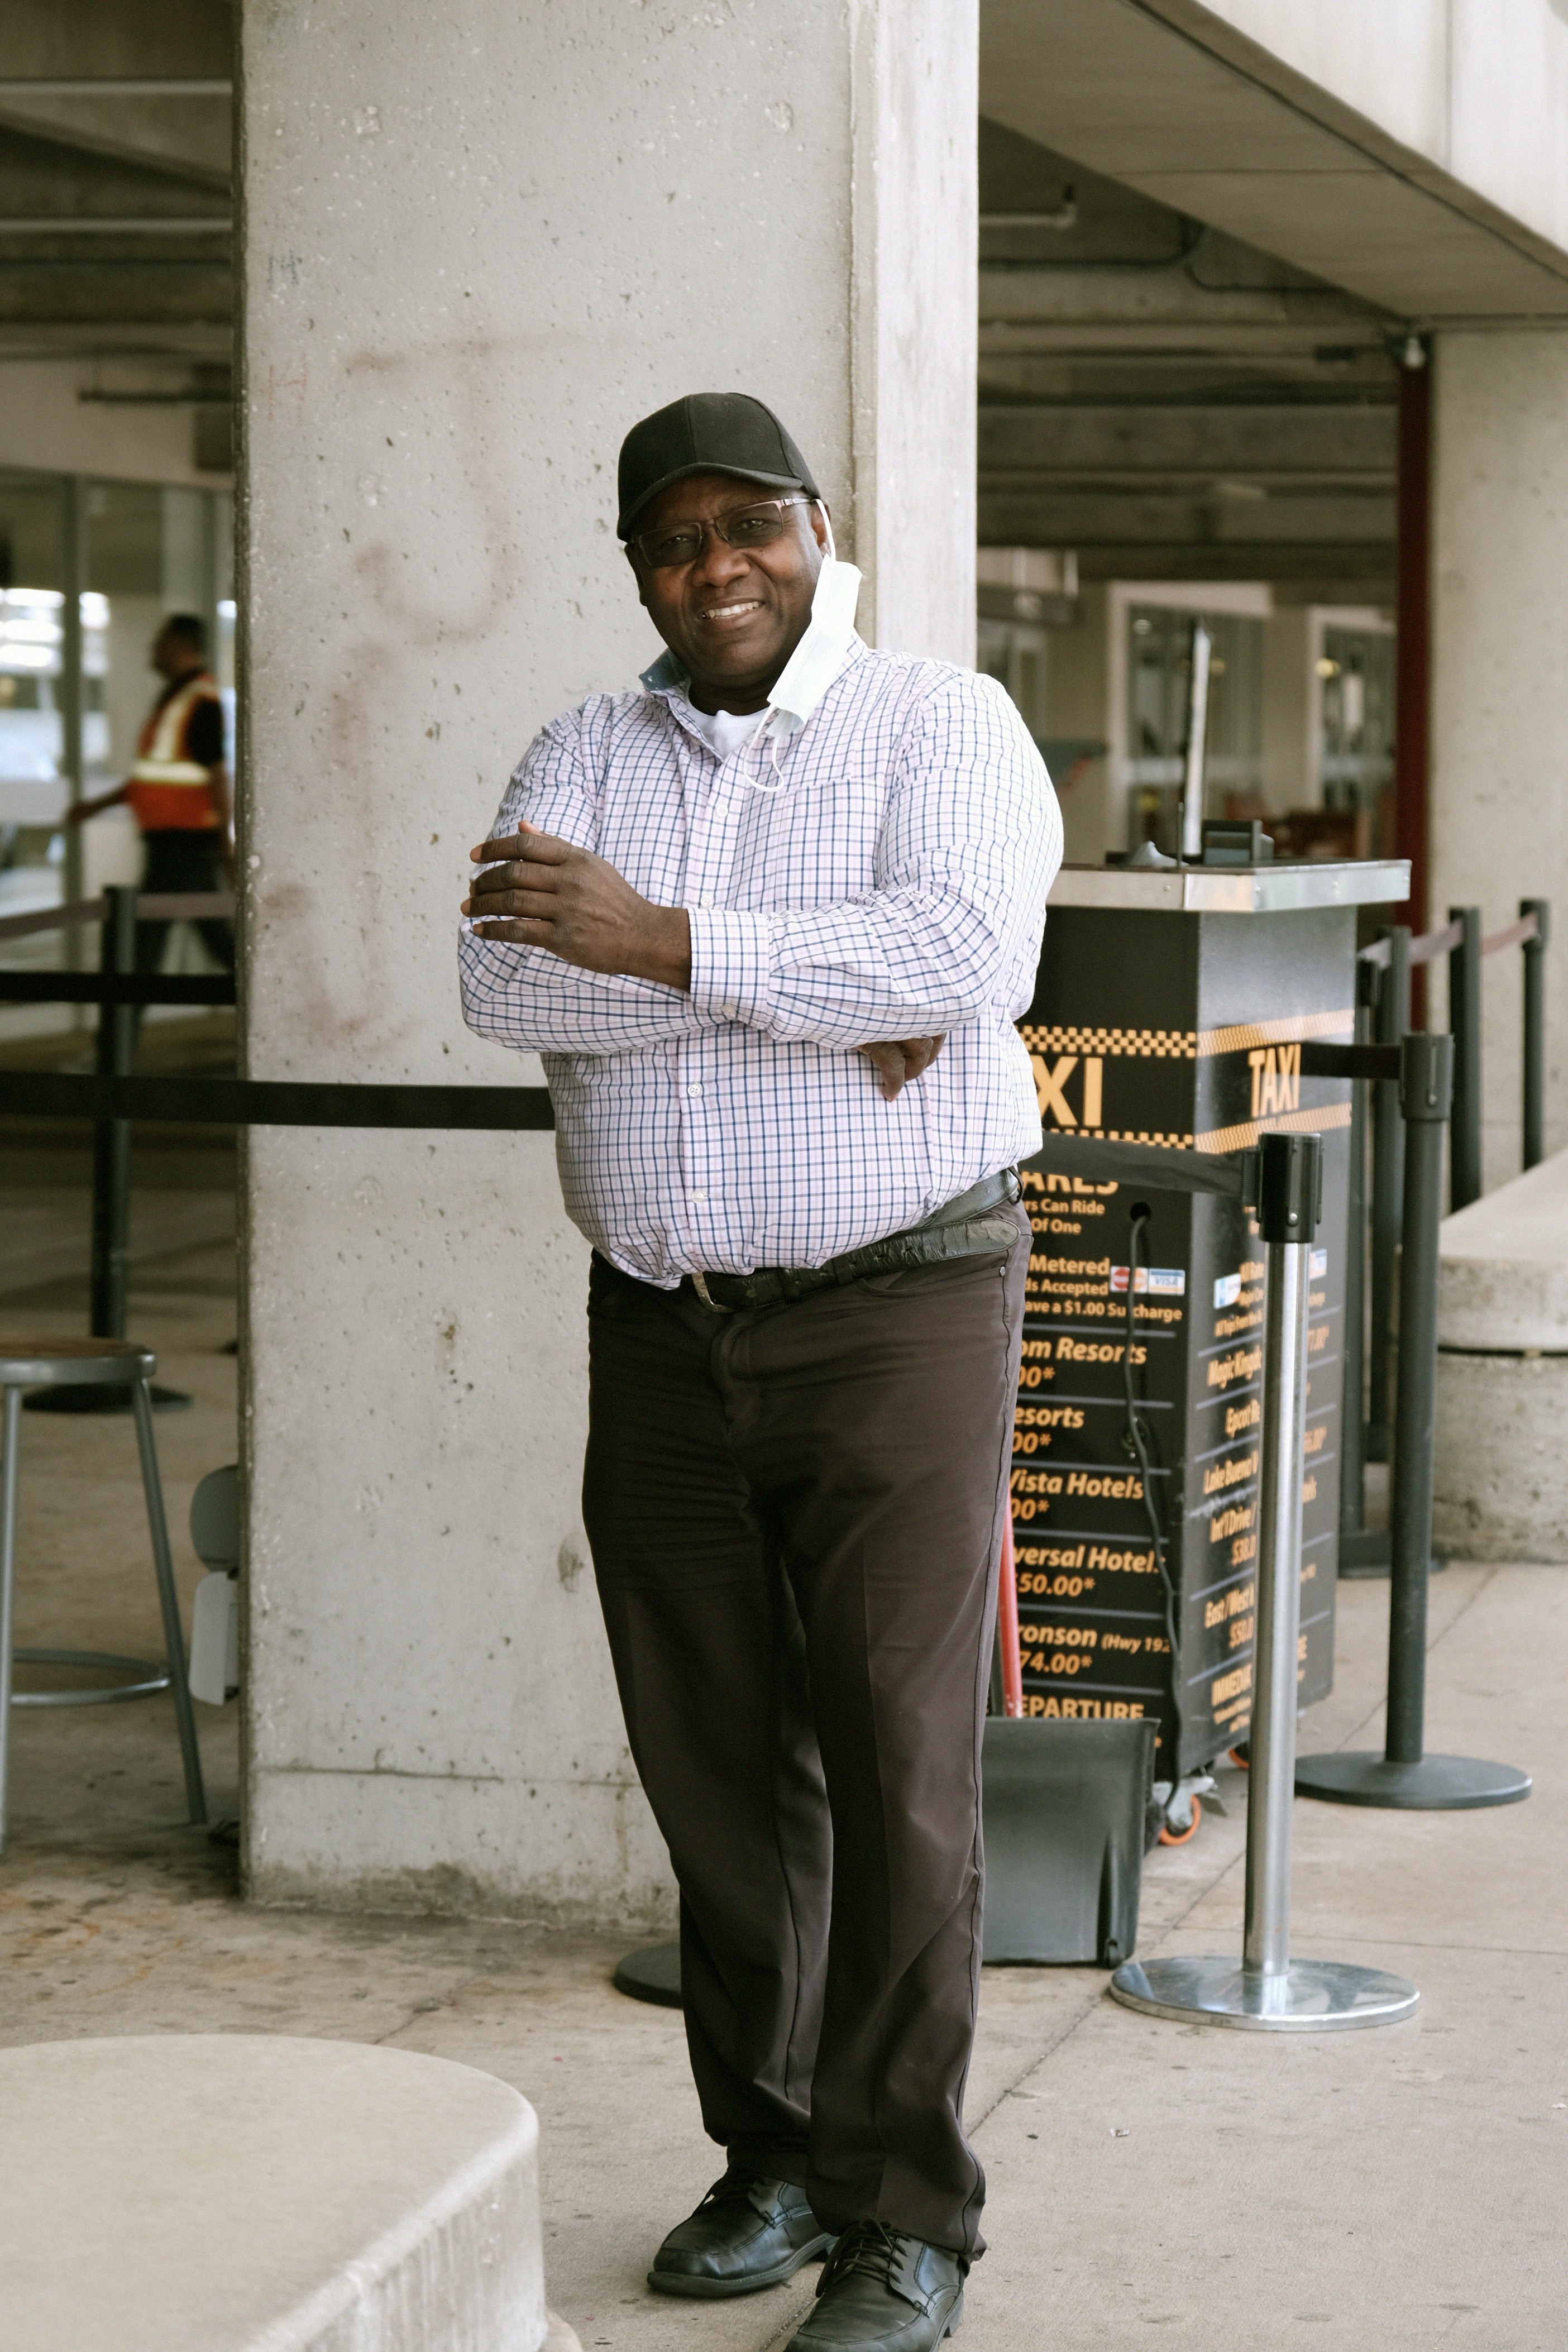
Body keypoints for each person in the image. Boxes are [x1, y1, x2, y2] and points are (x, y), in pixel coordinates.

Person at [459, 393, 1060, 2352]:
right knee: (715, 1767)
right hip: (658, 1327)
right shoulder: (579, 748)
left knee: (898, 1768)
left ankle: (905, 2215)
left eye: (748, 524)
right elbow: (502, 980)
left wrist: (657, 942)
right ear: (640, 566)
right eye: (674, 538)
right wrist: (803, 977)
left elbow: (964, 957)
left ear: (818, 526)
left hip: (897, 1310)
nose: (715, 564)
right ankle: (774, 2157)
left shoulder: (936, 724)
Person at [68, 611, 235, 975]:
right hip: (175, 845)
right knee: (212, 941)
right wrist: (96, 806)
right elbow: (151, 780)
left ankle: (123, 1011)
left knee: (142, 946)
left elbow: (216, 775)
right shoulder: (176, 698)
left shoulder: (198, 700)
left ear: (183, 647)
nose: (153, 649)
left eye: (161, 642)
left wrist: (227, 847)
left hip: (184, 847)